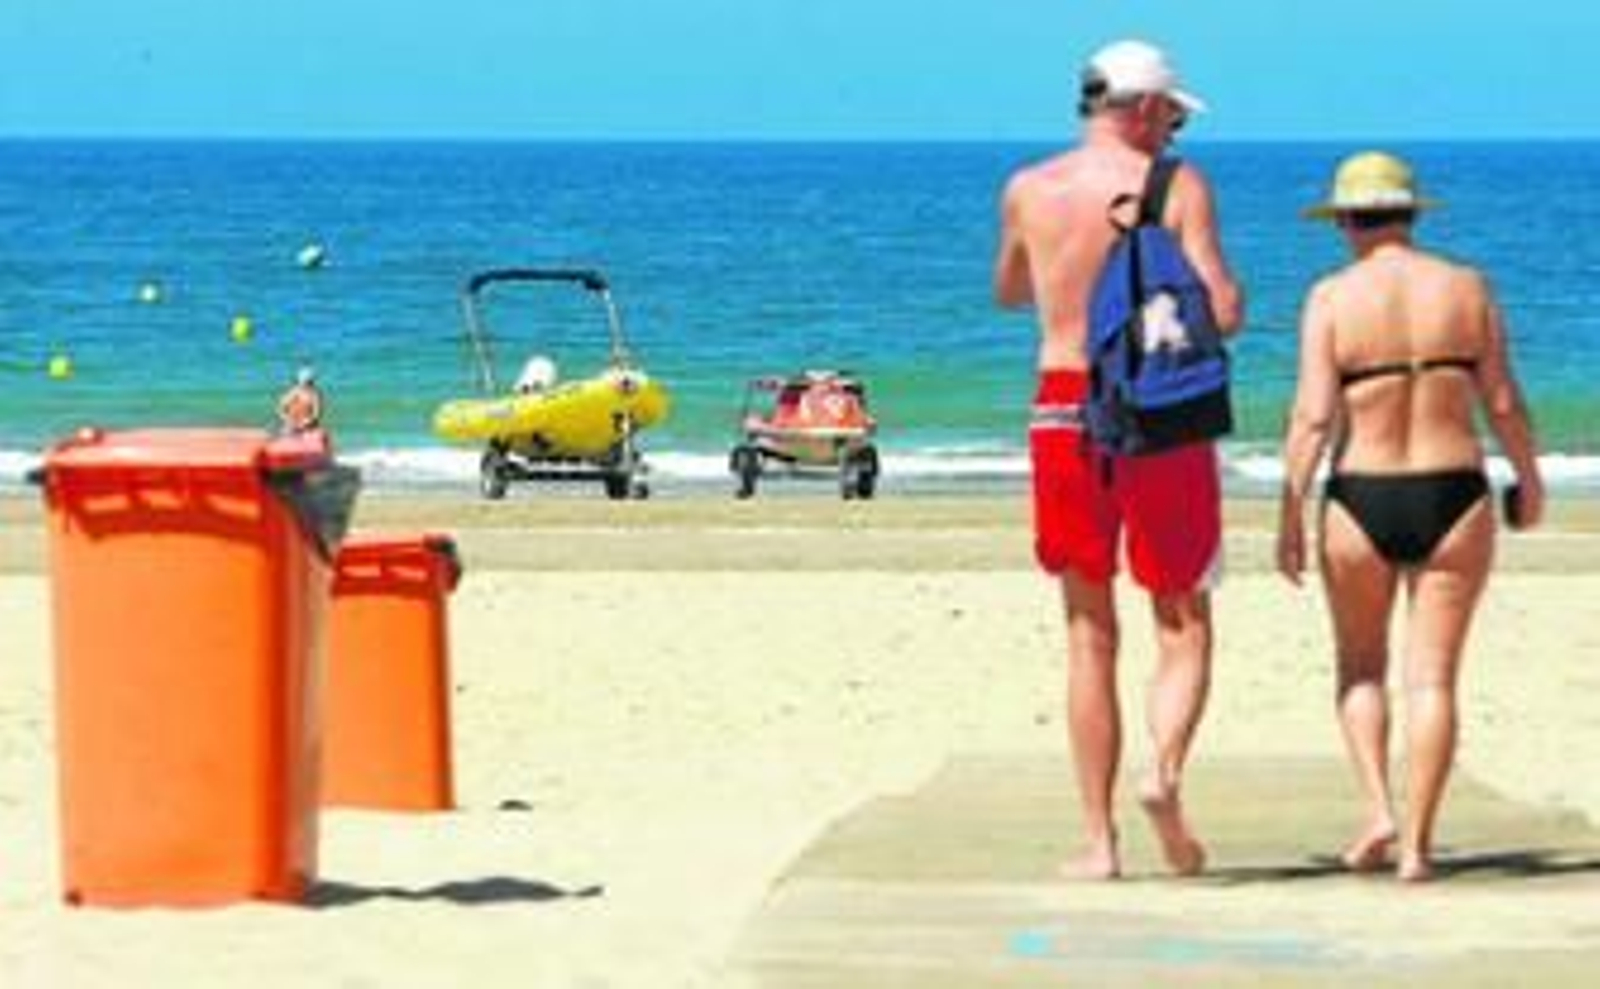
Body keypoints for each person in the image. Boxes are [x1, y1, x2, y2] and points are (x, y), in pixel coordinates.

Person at [992, 39, 1244, 879]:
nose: (1174, 129)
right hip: (1155, 412)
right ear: (1140, 108)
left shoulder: (1029, 188)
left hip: (1061, 406)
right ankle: (1162, 774)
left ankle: (1099, 843)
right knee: (1182, 616)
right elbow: (1224, 308)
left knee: (1087, 628)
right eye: (1170, 113)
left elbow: (1010, 290)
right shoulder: (1176, 186)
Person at [1277, 151, 1544, 882]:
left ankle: (1378, 811)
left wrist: (1290, 511)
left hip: (1362, 494)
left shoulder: (1331, 297)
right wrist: (1529, 478)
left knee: (1361, 667)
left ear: (1345, 221)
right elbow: (1502, 402)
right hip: (1454, 492)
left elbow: (1312, 415)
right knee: (1433, 679)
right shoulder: (1467, 287)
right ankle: (1419, 849)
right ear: (1412, 215)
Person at [276, 365, 324, 434]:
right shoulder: (294, 391)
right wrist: (288, 420)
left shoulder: (315, 394)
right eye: (304, 381)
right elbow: (280, 408)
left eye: (308, 382)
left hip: (309, 426)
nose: (306, 384)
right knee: (284, 432)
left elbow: (316, 415)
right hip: (291, 423)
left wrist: (305, 423)